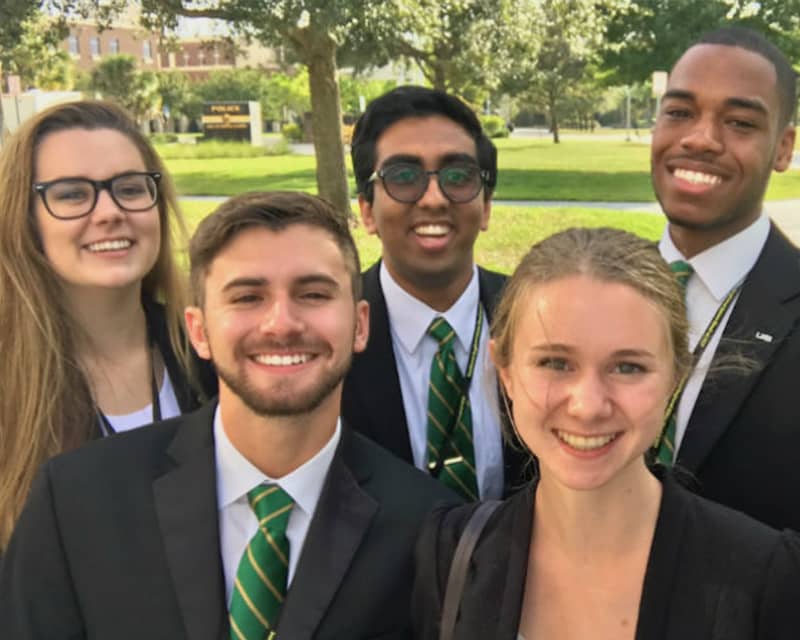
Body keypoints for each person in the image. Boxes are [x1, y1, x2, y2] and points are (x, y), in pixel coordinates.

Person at [0, 191, 457, 639]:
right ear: (198, 331)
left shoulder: (429, 528)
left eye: (314, 294)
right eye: (246, 298)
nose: (281, 323)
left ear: (360, 325)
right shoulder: (77, 499)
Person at [413, 227, 800, 640]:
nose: (588, 406)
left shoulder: (763, 576)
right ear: (504, 371)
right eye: (555, 363)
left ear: (676, 376)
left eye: (628, 367)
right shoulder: (451, 551)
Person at [0, 100, 215, 552]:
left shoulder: (211, 354)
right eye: (72, 194)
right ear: (26, 221)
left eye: (130, 188)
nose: (109, 212)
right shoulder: (10, 380)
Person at [344, 85, 526, 502]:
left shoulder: (538, 316)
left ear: (486, 206)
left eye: (458, 177)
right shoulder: (330, 335)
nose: (433, 199)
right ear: (367, 211)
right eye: (403, 177)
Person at [650, 26, 800, 531]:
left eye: (738, 122)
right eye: (679, 112)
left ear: (783, 149)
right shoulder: (599, 288)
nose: (699, 139)